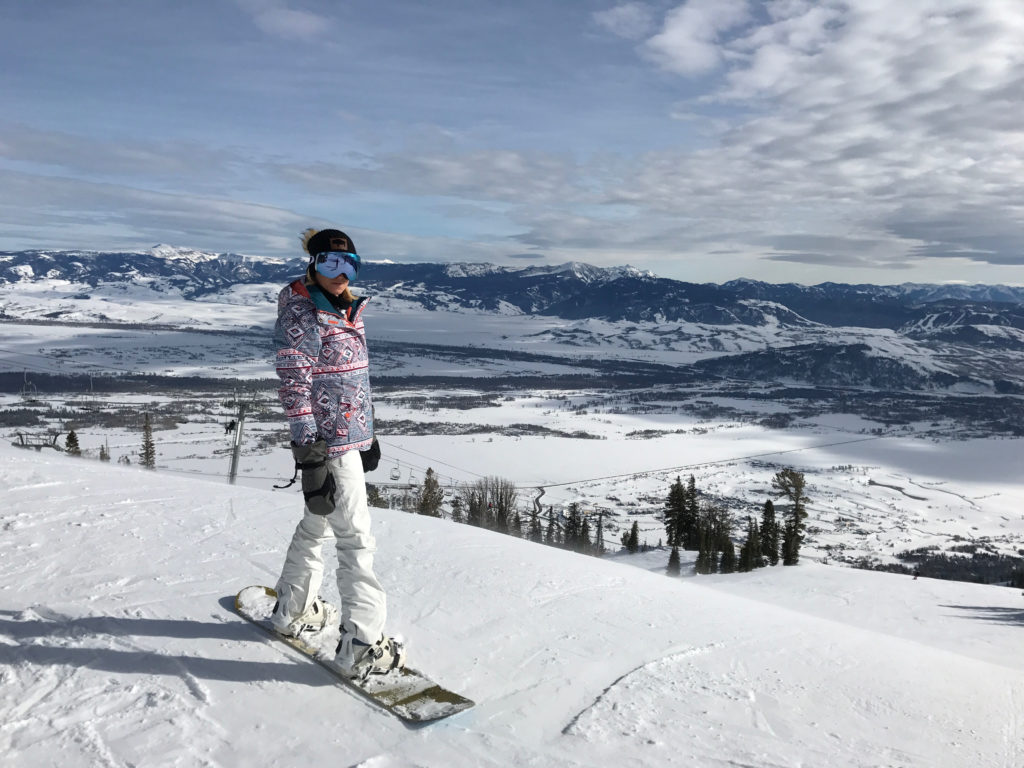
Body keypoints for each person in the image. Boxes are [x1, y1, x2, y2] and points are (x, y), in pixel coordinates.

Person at [270, 227, 403, 678]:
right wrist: (310, 450)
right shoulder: (302, 314)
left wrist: (367, 432)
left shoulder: (346, 309)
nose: (341, 273)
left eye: (350, 264)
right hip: (326, 443)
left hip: (349, 436)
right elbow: (295, 384)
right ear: (313, 263)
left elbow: (350, 381)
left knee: (319, 520)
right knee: (356, 538)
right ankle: (363, 645)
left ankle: (292, 608)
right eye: (331, 263)